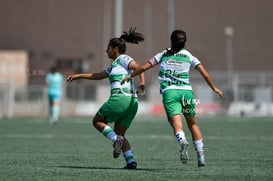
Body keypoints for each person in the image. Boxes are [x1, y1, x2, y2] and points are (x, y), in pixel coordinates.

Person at [121, 29, 223, 167]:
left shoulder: (163, 54)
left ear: (171, 40)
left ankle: (182, 142)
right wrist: (214, 88)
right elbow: (204, 74)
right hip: (187, 93)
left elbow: (144, 67)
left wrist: (130, 76)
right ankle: (201, 157)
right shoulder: (189, 56)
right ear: (184, 43)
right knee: (192, 123)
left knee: (176, 124)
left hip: (170, 93)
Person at [66, 27, 145, 169]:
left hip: (121, 99)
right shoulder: (114, 66)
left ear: (115, 48)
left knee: (97, 121)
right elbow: (97, 76)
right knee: (120, 133)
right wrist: (78, 75)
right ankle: (131, 162)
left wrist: (143, 83)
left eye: (108, 48)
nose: (106, 50)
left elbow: (139, 67)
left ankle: (116, 140)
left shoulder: (122, 58)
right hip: (132, 104)